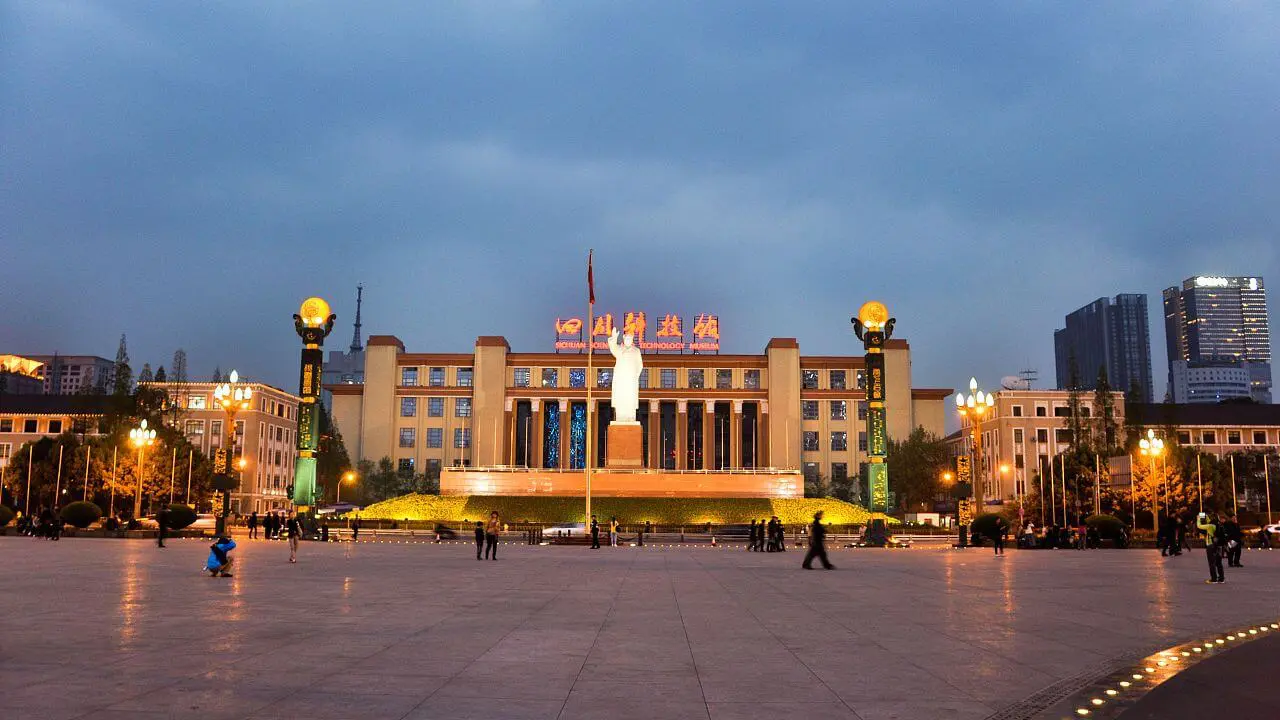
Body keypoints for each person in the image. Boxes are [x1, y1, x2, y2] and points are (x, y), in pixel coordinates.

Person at [1196, 512, 1225, 584]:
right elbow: (1209, 521)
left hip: (1210, 545)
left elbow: (1199, 526)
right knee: (1219, 563)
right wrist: (1206, 517)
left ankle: (1214, 579)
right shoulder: (1218, 525)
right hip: (1218, 545)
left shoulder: (1210, 526)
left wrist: (1198, 519)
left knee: (1212, 563)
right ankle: (1221, 579)